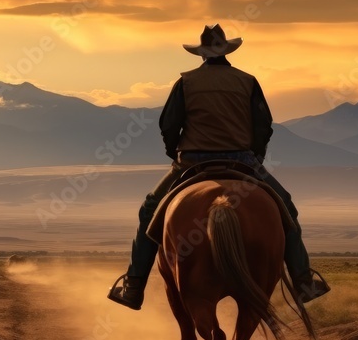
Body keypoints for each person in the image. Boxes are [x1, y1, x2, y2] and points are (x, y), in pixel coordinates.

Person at [107, 24, 330, 311]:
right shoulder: (247, 81)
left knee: (150, 209)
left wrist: (174, 153)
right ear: (226, 50)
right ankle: (303, 281)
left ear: (201, 54)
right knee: (286, 207)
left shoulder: (185, 82)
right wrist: (256, 155)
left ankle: (134, 285)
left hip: (191, 161)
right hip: (243, 160)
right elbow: (264, 126)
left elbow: (168, 125)